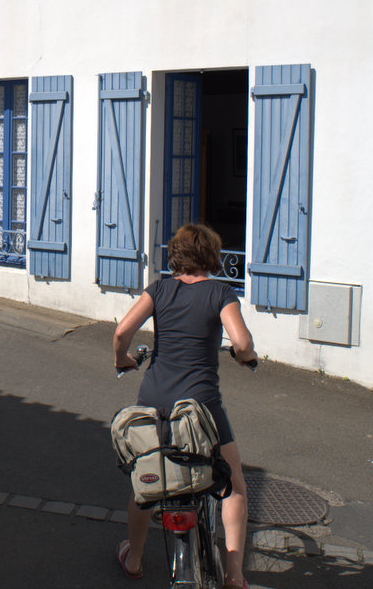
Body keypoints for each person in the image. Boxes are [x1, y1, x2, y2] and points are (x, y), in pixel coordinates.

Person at [113, 223, 256, 589]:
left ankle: (134, 560)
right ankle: (234, 574)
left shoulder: (159, 289)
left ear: (176, 255)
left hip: (154, 404)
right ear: (211, 256)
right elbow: (241, 342)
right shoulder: (220, 292)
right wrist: (245, 357)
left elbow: (122, 332)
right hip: (201, 407)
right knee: (235, 485)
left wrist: (122, 359)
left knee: (146, 481)